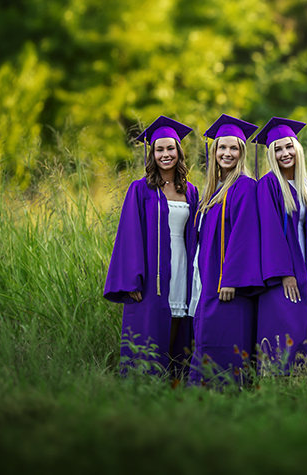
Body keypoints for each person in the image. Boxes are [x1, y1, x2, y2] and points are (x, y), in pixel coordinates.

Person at [104, 116, 200, 376]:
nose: (165, 154)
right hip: (153, 272)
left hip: (182, 267)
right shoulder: (140, 189)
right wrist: (132, 281)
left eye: (171, 149)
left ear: (179, 152)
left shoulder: (191, 191)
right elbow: (129, 236)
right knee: (152, 328)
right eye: (160, 149)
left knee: (179, 325)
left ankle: (174, 384)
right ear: (152, 153)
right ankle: (146, 385)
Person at [188, 114, 263, 384]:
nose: (227, 153)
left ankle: (224, 399)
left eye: (234, 148)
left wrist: (230, 279)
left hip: (227, 286)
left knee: (224, 341)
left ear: (242, 152)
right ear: (214, 151)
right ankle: (203, 399)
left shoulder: (244, 185)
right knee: (206, 339)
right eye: (222, 147)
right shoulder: (211, 190)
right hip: (207, 281)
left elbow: (244, 235)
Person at [254, 117, 307, 369]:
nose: (284, 153)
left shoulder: (305, 185)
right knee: (280, 329)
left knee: (300, 329)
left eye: (288, 146)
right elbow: (269, 232)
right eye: (277, 149)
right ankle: (274, 384)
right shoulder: (268, 184)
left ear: (297, 148)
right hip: (280, 273)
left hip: (303, 268)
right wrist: (284, 273)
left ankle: (296, 388)